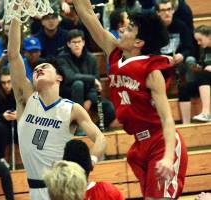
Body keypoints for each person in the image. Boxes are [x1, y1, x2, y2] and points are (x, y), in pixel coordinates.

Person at [72, 0, 188, 198]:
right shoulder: (114, 52)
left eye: (130, 28)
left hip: (160, 142)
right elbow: (88, 15)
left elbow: (167, 119)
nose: (122, 28)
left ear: (138, 43)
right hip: (139, 143)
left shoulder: (152, 71)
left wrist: (168, 157)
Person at [8, 15, 107, 200]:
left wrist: (90, 160)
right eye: (36, 69)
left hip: (62, 190)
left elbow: (101, 138)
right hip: (34, 189)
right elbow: (13, 56)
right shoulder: (26, 100)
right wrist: (16, 17)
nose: (38, 69)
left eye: (44, 67)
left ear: (59, 78)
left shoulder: (72, 109)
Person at [57, 29, 116, 130]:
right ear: (68, 44)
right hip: (69, 96)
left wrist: (89, 100)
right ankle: (79, 126)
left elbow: (96, 85)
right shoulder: (62, 58)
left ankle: (97, 129)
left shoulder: (91, 58)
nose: (77, 45)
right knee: (78, 84)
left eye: (79, 42)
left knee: (109, 107)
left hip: (88, 95)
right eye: (74, 42)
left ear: (83, 43)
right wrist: (92, 79)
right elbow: (70, 77)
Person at [181, 25, 211, 122]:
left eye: (200, 40)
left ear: (209, 36)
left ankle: (206, 113)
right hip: (206, 81)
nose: (198, 43)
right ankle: (186, 124)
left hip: (206, 79)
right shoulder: (203, 49)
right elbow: (204, 67)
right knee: (184, 88)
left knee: (203, 76)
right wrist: (197, 68)